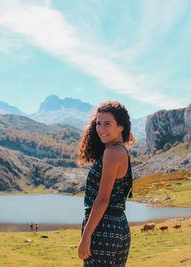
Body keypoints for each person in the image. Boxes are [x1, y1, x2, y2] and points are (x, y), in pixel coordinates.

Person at [78, 101, 135, 266]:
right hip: (118, 226)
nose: (101, 129)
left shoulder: (112, 153)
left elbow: (103, 199)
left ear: (121, 127)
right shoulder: (121, 150)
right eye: (98, 124)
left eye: (107, 124)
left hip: (103, 229)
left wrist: (86, 236)